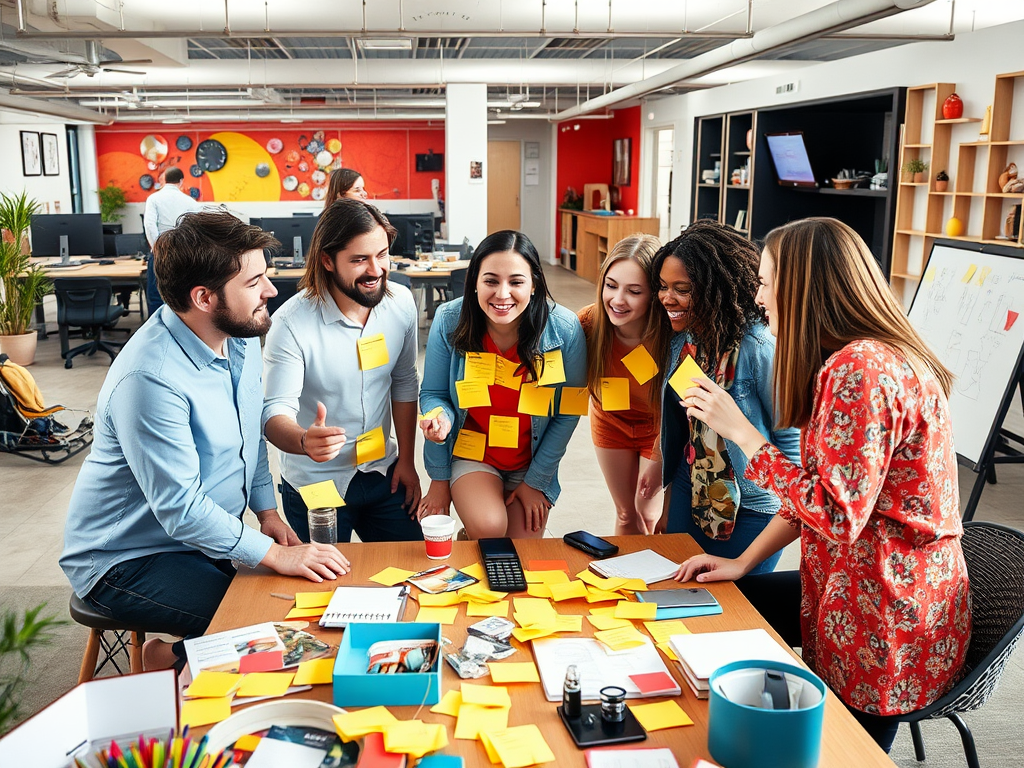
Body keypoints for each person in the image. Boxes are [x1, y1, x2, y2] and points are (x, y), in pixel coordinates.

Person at [675, 217, 971, 751]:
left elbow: (834, 512)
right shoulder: (857, 357)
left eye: (765, 282)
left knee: (840, 754)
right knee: (707, 604)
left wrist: (741, 431)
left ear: (802, 286)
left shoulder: (862, 368)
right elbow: (818, 493)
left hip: (882, 618)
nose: (759, 297)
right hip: (852, 590)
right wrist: (743, 563)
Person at [60, 211, 349, 671]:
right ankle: (169, 660)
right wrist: (275, 554)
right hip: (125, 558)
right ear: (204, 297)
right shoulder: (150, 378)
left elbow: (248, 435)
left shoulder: (236, 335)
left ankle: (179, 657)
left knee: (291, 604)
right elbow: (181, 509)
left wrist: (268, 513)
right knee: (264, 621)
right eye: (255, 282)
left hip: (194, 542)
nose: (272, 291)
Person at [262, 199, 422, 543]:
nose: (376, 269)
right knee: (324, 589)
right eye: (359, 260)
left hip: (383, 471)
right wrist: (304, 440)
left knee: (410, 571)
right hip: (317, 482)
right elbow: (274, 413)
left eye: (382, 254)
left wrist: (407, 461)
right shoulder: (291, 324)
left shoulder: (401, 303)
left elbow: (404, 382)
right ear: (327, 260)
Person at [647, 220, 800, 571]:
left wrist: (788, 515)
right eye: (662, 287)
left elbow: (791, 448)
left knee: (736, 609)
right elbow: (687, 432)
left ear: (714, 287)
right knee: (680, 592)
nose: (667, 298)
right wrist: (670, 499)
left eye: (681, 289)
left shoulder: (760, 347)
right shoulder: (684, 340)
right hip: (691, 492)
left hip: (752, 508)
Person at [417, 230, 586, 539]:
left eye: (516, 282)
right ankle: (476, 533)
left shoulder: (564, 328)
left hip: (530, 460)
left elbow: (568, 412)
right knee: (491, 529)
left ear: (534, 285)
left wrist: (536, 481)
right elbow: (434, 394)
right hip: (474, 455)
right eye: (491, 281)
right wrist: (438, 423)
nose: (502, 294)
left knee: (520, 555)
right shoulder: (449, 319)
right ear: (475, 283)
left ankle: (473, 539)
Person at [578, 234, 670, 534]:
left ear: (655, 294)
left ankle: (657, 577)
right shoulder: (589, 324)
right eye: (611, 285)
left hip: (659, 428)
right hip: (611, 422)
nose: (617, 300)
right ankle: (626, 578)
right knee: (626, 513)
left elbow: (683, 404)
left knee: (648, 512)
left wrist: (658, 457)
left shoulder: (672, 334)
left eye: (634, 291)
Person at [142, 166, 202, 312]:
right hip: (183, 253)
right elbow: (196, 229)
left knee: (156, 295)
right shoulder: (190, 202)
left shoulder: (154, 199)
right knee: (182, 294)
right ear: (181, 181)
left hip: (160, 250)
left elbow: (149, 224)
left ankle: (157, 330)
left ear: (164, 180)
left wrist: (157, 247)